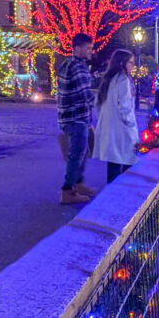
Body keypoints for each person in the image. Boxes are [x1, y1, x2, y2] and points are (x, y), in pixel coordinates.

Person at [57, 33, 96, 204]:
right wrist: (102, 104)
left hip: (70, 116)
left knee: (81, 151)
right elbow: (85, 94)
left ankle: (79, 183)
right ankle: (68, 190)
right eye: (88, 48)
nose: (91, 51)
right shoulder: (78, 67)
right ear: (77, 48)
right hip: (76, 117)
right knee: (77, 153)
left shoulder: (68, 63)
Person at [93, 49, 139, 183]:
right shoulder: (124, 80)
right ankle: (122, 195)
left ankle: (110, 193)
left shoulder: (108, 79)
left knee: (113, 163)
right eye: (130, 63)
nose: (133, 66)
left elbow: (98, 104)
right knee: (128, 162)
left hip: (109, 129)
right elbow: (125, 107)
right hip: (122, 130)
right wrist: (130, 124)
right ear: (121, 63)